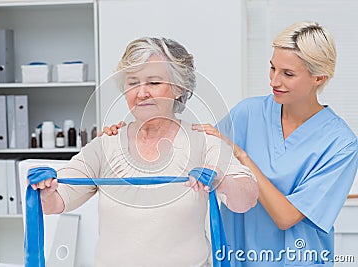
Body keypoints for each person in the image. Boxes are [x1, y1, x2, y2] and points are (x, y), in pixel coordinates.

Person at [102, 22, 358, 266]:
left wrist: (242, 156)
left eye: (288, 74)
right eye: (272, 68)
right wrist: (133, 132)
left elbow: (287, 217)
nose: (274, 81)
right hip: (236, 256)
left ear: (319, 78)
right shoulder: (248, 112)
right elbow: (190, 148)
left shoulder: (341, 144)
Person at [31, 37, 258, 267]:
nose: (141, 93)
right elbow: (54, 203)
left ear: (179, 88)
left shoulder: (203, 141)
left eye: (154, 82)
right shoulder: (106, 144)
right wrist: (47, 190)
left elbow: (245, 199)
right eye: (132, 83)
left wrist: (219, 178)